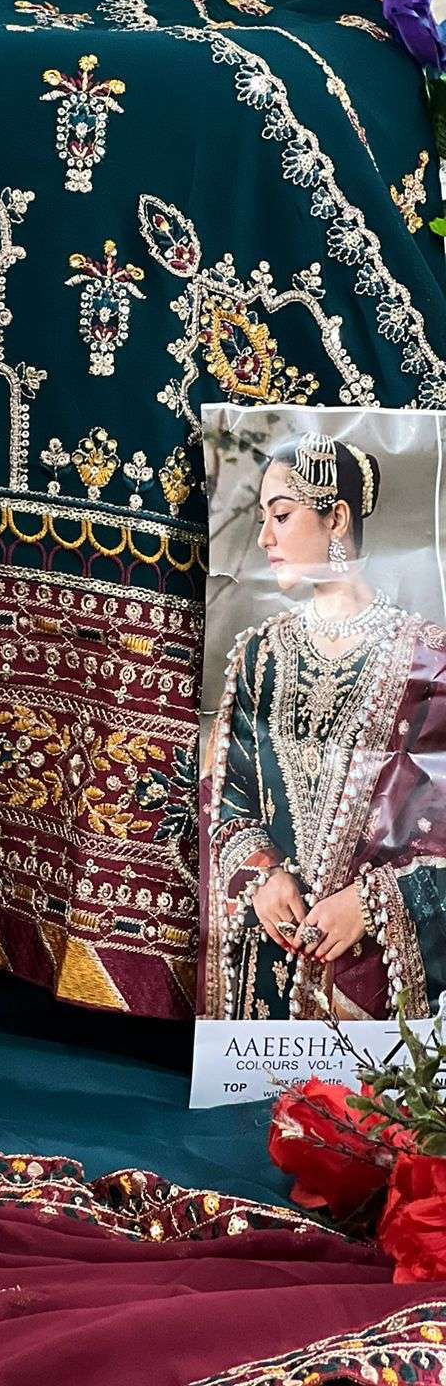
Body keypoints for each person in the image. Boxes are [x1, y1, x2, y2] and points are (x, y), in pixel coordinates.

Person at [204, 431, 446, 1019]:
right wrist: (263, 875)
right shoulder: (260, 653)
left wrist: (371, 903)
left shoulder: (426, 658)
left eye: (282, 515)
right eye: (262, 519)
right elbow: (228, 794)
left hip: (370, 967)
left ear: (336, 518)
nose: (264, 538)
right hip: (269, 953)